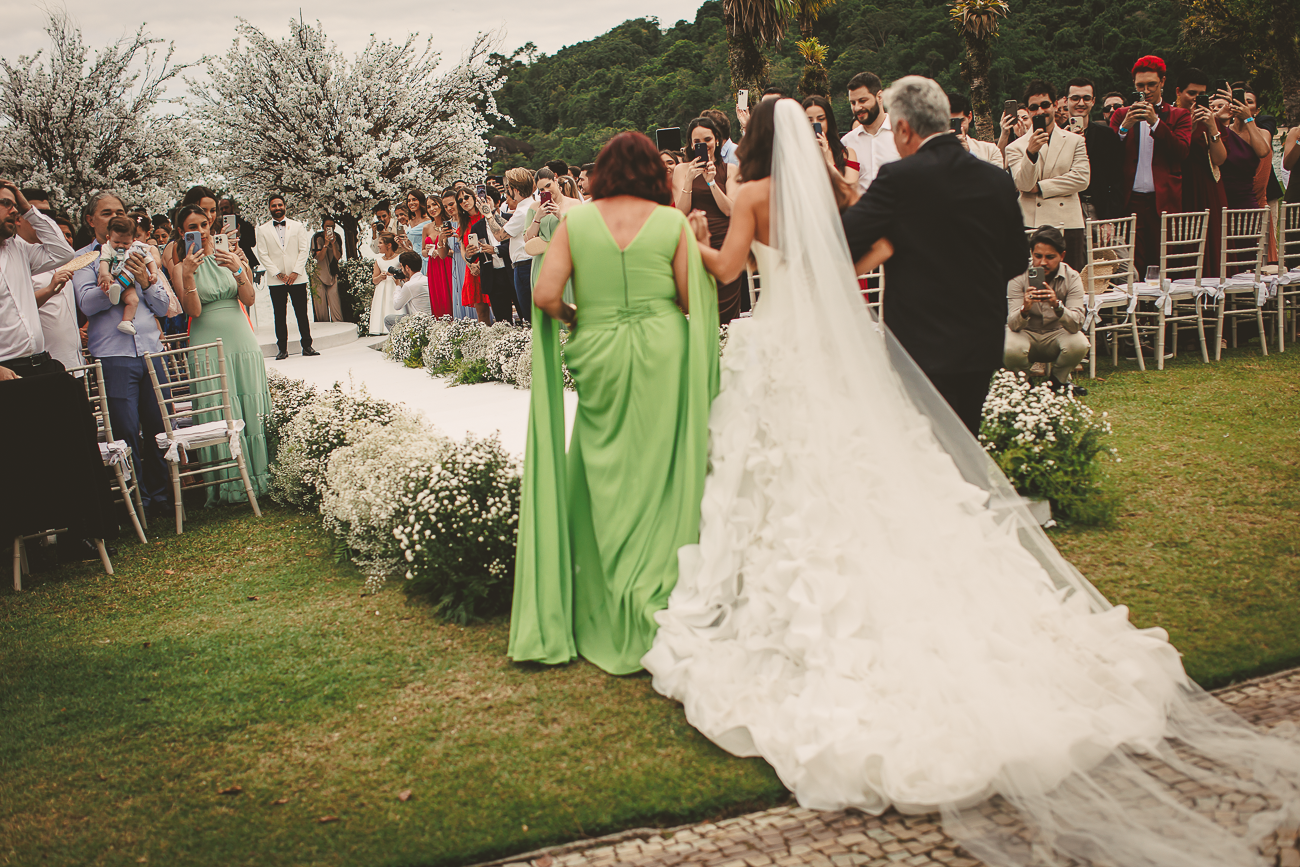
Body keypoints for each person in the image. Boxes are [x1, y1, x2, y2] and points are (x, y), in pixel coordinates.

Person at [643, 94, 1300, 867]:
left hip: (779, 342)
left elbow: (723, 270)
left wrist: (688, 213)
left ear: (751, 143)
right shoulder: (835, 189)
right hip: (838, 340)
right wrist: (824, 269)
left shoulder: (749, 194)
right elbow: (874, 253)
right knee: (865, 466)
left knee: (781, 475)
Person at [509, 130, 719, 675]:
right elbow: (687, 296)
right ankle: (655, 587)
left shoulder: (576, 223)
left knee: (602, 462)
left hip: (598, 349)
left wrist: (582, 319)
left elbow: (545, 296)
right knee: (657, 468)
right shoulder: (671, 221)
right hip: (661, 347)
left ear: (600, 171)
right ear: (654, 171)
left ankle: (599, 586)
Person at [841, 76, 1027, 435]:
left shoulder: (897, 178)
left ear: (905, 128)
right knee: (966, 438)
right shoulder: (995, 179)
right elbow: (1017, 259)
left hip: (918, 341)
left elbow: (845, 241)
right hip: (981, 336)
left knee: (926, 446)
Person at [1, 180, 113, 551]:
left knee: (75, 447)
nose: (13, 211)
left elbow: (65, 253)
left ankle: (86, 532)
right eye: (5, 205)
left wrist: (25, 204)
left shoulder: (19, 249)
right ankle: (33, 544)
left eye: (13, 205)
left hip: (42, 365)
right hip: (7, 372)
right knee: (27, 461)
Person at [73, 190, 174, 517]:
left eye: (119, 211)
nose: (115, 217)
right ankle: (139, 501)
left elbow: (162, 306)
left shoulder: (142, 251)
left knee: (160, 426)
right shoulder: (84, 259)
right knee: (127, 432)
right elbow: (86, 303)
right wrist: (117, 279)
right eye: (106, 213)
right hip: (114, 357)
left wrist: (144, 281)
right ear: (91, 220)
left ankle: (163, 497)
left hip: (151, 351)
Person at [173, 203, 271, 504]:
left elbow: (249, 298)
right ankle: (228, 484)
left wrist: (238, 267)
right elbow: (193, 310)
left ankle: (263, 476)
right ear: (181, 232)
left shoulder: (228, 253)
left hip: (241, 337)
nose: (201, 232)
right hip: (206, 340)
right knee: (220, 406)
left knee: (249, 398)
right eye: (192, 227)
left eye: (204, 224)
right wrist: (189, 275)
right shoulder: (180, 268)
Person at [1110, 55, 1193, 272]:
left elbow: (1182, 152)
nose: (1145, 90)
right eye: (1140, 85)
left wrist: (1156, 122)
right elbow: (1108, 156)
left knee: (1164, 264)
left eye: (1151, 85)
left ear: (1163, 82)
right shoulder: (1120, 114)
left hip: (1164, 200)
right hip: (1131, 201)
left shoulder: (1180, 115)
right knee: (1131, 265)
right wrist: (1125, 128)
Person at [1005, 79, 1090, 272]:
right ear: (1028, 110)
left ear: (1055, 106)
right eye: (1034, 107)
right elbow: (1024, 184)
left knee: (1072, 280)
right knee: (1034, 282)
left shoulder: (1075, 141)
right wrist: (1031, 153)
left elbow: (1082, 179)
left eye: (1045, 105)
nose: (1040, 111)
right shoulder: (1015, 147)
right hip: (1032, 223)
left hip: (1068, 222)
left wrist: (1041, 187)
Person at [672, 116, 743, 324]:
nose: (703, 146)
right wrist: (689, 181)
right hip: (695, 244)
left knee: (727, 313)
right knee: (700, 304)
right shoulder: (681, 170)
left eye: (708, 139)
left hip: (725, 242)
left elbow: (730, 210)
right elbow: (681, 211)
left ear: (717, 141)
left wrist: (712, 183)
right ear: (691, 145)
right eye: (697, 142)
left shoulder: (731, 169)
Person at [1003, 226, 1089, 391]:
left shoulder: (1072, 277)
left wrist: (1057, 306)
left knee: (1080, 343)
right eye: (1038, 256)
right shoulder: (1017, 275)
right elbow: (1012, 324)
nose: (1042, 262)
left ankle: (1058, 381)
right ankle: (1023, 382)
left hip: (1056, 334)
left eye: (1050, 257)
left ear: (1062, 256)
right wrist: (1024, 310)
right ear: (1031, 254)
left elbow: (1077, 324)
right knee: (1007, 344)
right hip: (1026, 333)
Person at [1174, 69, 1227, 277]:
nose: (1196, 99)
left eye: (1201, 95)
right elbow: (1172, 152)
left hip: (1208, 188)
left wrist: (1213, 127)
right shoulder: (1171, 116)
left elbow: (1220, 159)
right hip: (1180, 187)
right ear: (1178, 92)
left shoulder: (1212, 120)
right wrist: (1190, 124)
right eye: (1191, 93)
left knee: (1210, 244)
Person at [253, 194, 317, 360]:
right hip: (276, 280)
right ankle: (282, 349)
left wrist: (295, 272)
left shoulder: (297, 226)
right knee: (279, 314)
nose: (277, 208)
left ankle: (307, 346)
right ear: (269, 208)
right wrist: (278, 274)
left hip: (297, 277)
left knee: (301, 313)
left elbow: (304, 250)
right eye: (274, 205)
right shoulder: (262, 229)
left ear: (285, 206)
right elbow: (263, 254)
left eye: (280, 205)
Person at [1064, 77, 1126, 221]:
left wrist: (1110, 218)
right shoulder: (1055, 135)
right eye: (1075, 98)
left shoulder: (1107, 135)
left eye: (1086, 98)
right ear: (1066, 101)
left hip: (1100, 210)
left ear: (1093, 101)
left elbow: (1118, 180)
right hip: (1066, 208)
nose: (1081, 103)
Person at [840, 72, 899, 194]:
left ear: (880, 97)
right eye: (853, 103)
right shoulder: (846, 142)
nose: (857, 108)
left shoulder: (902, 135)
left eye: (863, 101)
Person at [96, 216, 154, 335]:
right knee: (104, 281)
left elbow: (149, 260)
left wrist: (153, 273)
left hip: (128, 283)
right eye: (116, 242)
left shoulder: (136, 248)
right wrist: (104, 275)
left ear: (133, 240)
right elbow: (104, 262)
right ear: (108, 238)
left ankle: (126, 321)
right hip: (110, 278)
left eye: (125, 243)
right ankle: (110, 292)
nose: (121, 246)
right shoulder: (107, 247)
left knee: (134, 300)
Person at [1212, 88, 1265, 210]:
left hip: (1244, 199)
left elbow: (1263, 152)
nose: (1243, 106)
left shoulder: (1261, 133)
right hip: (1218, 198)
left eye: (1248, 102)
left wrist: (1248, 118)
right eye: (1239, 102)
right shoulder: (1221, 132)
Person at [502, 168, 537, 322]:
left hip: (524, 265)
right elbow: (510, 227)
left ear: (514, 190)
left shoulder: (522, 210)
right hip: (530, 263)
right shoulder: (533, 205)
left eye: (507, 188)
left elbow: (500, 234)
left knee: (529, 313)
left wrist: (488, 214)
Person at [454, 187, 493, 323]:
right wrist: (470, 264)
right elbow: (463, 248)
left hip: (489, 265)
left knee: (498, 307)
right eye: (460, 200)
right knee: (481, 313)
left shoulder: (485, 216)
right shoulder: (463, 223)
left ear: (474, 197)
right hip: (473, 270)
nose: (464, 202)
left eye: (466, 197)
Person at [803, 95, 860, 186]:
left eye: (821, 119)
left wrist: (828, 161)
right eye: (809, 120)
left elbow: (849, 191)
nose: (815, 124)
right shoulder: (797, 154)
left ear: (829, 120)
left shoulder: (847, 153)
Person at [948, 92, 1004, 167]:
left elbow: (997, 178)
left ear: (970, 117)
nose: (957, 127)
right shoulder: (930, 153)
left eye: (960, 121)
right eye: (949, 123)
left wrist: (968, 155)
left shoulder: (990, 151)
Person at [309, 216, 344, 322]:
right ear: (323, 227)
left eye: (332, 226)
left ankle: (339, 325)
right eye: (327, 226)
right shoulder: (316, 237)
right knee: (320, 306)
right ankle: (323, 327)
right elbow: (319, 258)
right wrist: (325, 244)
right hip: (318, 273)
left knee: (335, 303)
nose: (329, 228)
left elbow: (337, 257)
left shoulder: (337, 237)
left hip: (332, 272)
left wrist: (333, 244)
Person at [385, 250, 430, 331]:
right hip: (431, 319)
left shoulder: (409, 285)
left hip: (418, 322)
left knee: (388, 319)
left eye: (401, 267)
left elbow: (397, 305)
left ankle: (401, 342)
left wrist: (398, 286)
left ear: (407, 268)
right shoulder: (427, 280)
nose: (400, 270)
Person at [368, 233, 402, 334]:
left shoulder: (399, 258)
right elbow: (374, 280)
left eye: (380, 243)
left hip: (395, 286)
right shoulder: (378, 261)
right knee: (383, 305)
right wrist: (380, 277)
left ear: (389, 245)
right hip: (382, 289)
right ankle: (382, 328)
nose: (378, 245)